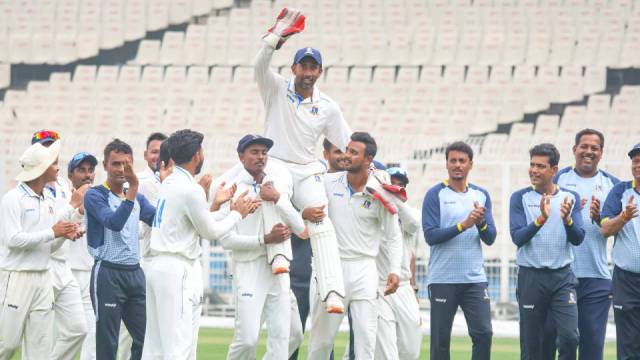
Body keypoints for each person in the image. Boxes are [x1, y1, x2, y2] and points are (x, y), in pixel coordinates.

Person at [255, 7, 352, 312]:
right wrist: (273, 39)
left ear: (320, 72)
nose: (308, 73)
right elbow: (259, 66)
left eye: (314, 68)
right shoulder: (276, 88)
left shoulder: (327, 107)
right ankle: (279, 257)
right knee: (275, 194)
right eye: (303, 67)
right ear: (294, 68)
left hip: (308, 167)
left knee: (322, 219)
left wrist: (375, 167)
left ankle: (333, 289)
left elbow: (348, 144)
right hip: (278, 162)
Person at [142, 130, 254, 360]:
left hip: (158, 266)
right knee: (179, 346)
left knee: (155, 348)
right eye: (201, 151)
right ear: (196, 155)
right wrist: (236, 214)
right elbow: (209, 231)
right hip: (176, 269)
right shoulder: (189, 188)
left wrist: (220, 207)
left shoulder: (171, 182)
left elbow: (194, 223)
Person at [306, 132, 402, 359]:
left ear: (368, 159)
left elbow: (394, 235)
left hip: (364, 269)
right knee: (321, 343)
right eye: (346, 150)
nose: (346, 156)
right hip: (329, 266)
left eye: (354, 153)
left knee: (365, 342)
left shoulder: (380, 191)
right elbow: (304, 199)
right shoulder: (328, 182)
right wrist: (304, 212)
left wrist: (395, 270)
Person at [217, 134, 306, 359]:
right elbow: (226, 240)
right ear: (241, 156)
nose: (260, 157)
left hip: (279, 268)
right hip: (248, 268)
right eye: (254, 152)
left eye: (264, 152)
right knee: (247, 340)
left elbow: (300, 228)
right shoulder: (232, 189)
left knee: (289, 336)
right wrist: (264, 240)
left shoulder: (275, 185)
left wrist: (277, 198)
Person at [0, 141, 82, 360]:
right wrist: (53, 232)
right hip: (17, 277)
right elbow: (12, 240)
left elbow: (50, 245)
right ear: (41, 169)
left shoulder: (47, 200)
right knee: (7, 345)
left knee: (40, 349)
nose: (57, 167)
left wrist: (64, 234)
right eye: (53, 163)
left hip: (43, 278)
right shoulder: (12, 199)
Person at [543, 129, 619, 360]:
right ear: (574, 150)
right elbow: (543, 221)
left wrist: (599, 218)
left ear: (601, 153)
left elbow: (617, 229)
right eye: (584, 146)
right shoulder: (558, 180)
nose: (588, 151)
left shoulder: (613, 186)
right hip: (560, 276)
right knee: (555, 340)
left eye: (594, 148)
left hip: (596, 277)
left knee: (592, 346)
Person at [510, 143, 585, 360]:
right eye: (532, 165)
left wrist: (568, 220)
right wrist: (540, 219)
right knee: (532, 344)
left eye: (540, 166)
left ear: (554, 170)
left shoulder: (570, 197)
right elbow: (518, 238)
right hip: (531, 276)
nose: (534, 170)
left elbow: (578, 238)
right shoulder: (519, 198)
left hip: (562, 277)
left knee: (570, 337)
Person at [422, 141, 496, 360]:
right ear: (446, 164)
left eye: (462, 161)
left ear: (470, 164)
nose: (457, 165)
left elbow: (490, 237)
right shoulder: (435, 194)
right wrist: (463, 225)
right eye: (452, 160)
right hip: (443, 278)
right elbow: (431, 236)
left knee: (484, 332)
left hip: (474, 279)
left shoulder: (481, 195)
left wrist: (481, 223)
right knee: (440, 341)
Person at [84, 139, 156, 360]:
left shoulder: (137, 198)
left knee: (147, 339)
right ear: (105, 165)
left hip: (135, 273)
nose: (121, 169)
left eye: (126, 164)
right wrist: (132, 191)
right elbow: (113, 223)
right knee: (108, 344)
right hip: (108, 273)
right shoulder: (95, 195)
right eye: (115, 163)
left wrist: (210, 207)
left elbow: (160, 220)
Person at [289, 138, 345, 360]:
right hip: (301, 268)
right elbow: (287, 215)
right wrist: (302, 215)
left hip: (332, 270)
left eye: (346, 151)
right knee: (292, 333)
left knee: (324, 339)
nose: (342, 156)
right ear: (325, 153)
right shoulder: (307, 181)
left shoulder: (352, 184)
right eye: (337, 151)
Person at [374, 166, 423, 360]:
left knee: (410, 350)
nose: (397, 188)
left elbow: (414, 224)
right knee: (385, 353)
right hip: (379, 288)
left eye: (401, 185)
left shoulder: (411, 213)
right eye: (392, 184)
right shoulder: (374, 212)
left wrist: (392, 198)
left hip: (403, 288)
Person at [600, 143, 640, 359]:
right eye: (635, 160)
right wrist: (624, 217)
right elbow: (604, 229)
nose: (638, 165)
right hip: (626, 280)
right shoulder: (620, 191)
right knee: (627, 345)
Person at [66, 152, 100, 360]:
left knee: (92, 334)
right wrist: (76, 208)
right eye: (81, 170)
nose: (88, 175)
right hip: (64, 273)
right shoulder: (62, 196)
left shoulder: (98, 198)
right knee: (63, 335)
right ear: (71, 174)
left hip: (89, 273)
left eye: (91, 170)